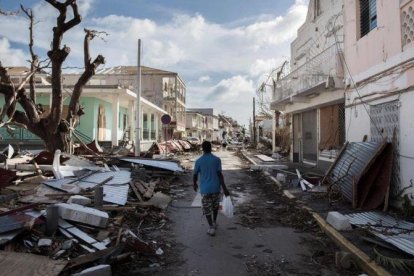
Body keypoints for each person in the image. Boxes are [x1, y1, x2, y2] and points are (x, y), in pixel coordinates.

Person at [193, 141, 230, 236]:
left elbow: (195, 174)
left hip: (205, 189)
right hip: (216, 188)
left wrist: (195, 184)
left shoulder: (199, 161)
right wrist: (224, 188)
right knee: (215, 206)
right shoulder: (217, 160)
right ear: (210, 148)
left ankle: (211, 227)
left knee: (206, 208)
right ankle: (214, 222)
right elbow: (220, 175)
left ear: (203, 149)